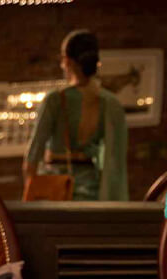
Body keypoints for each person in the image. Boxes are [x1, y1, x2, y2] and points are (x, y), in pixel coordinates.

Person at [24, 29, 129, 201]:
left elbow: (34, 153)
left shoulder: (55, 99)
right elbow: (116, 162)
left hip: (55, 188)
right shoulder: (110, 103)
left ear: (67, 61)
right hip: (91, 190)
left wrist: (30, 189)